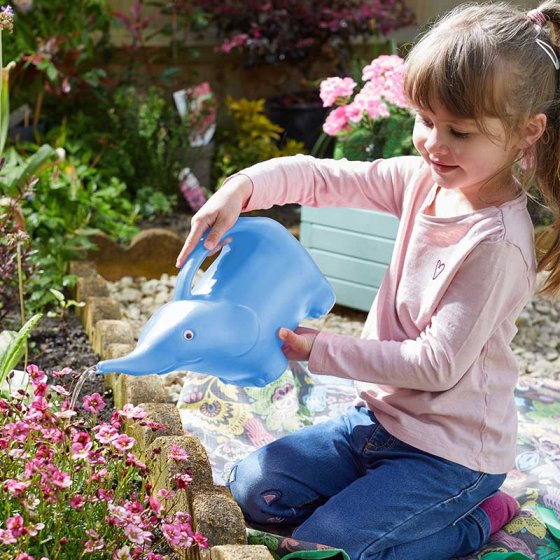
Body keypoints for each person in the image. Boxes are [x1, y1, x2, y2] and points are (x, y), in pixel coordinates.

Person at [175, 2, 560, 559]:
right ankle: (377, 508)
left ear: (528, 133)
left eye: (460, 131)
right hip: (378, 421)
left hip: (453, 455)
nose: (434, 143)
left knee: (332, 550)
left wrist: (319, 351)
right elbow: (320, 176)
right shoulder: (420, 181)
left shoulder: (496, 244)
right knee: (252, 491)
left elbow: (435, 365)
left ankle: (478, 520)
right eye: (426, 120)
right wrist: (241, 188)